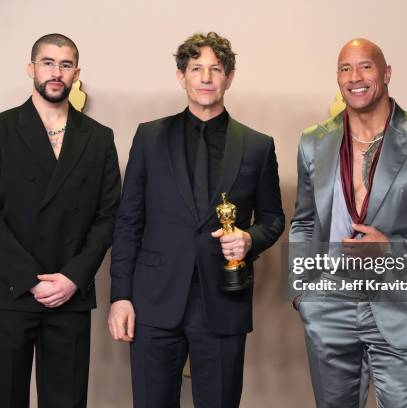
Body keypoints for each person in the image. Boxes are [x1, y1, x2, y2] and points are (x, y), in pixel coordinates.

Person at [289, 38, 407, 407]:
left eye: (365, 66)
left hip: (400, 305)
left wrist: (392, 249)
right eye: (345, 68)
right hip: (329, 306)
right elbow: (304, 221)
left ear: (386, 73)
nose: (354, 77)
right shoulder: (313, 142)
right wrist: (302, 289)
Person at [108, 32, 285, 407]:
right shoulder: (150, 137)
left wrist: (250, 239)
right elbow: (128, 222)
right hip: (153, 301)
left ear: (230, 77)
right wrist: (121, 296)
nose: (205, 78)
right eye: (196, 69)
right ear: (181, 76)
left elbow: (273, 218)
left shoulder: (257, 145)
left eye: (215, 69)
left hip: (223, 301)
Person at [0, 33, 121, 408]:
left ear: (76, 73)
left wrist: (73, 277)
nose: (56, 72)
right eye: (48, 63)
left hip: (70, 293)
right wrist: (29, 281)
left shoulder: (99, 138)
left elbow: (108, 216)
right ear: (31, 68)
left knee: (67, 401)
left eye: (65, 65)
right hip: (11, 290)